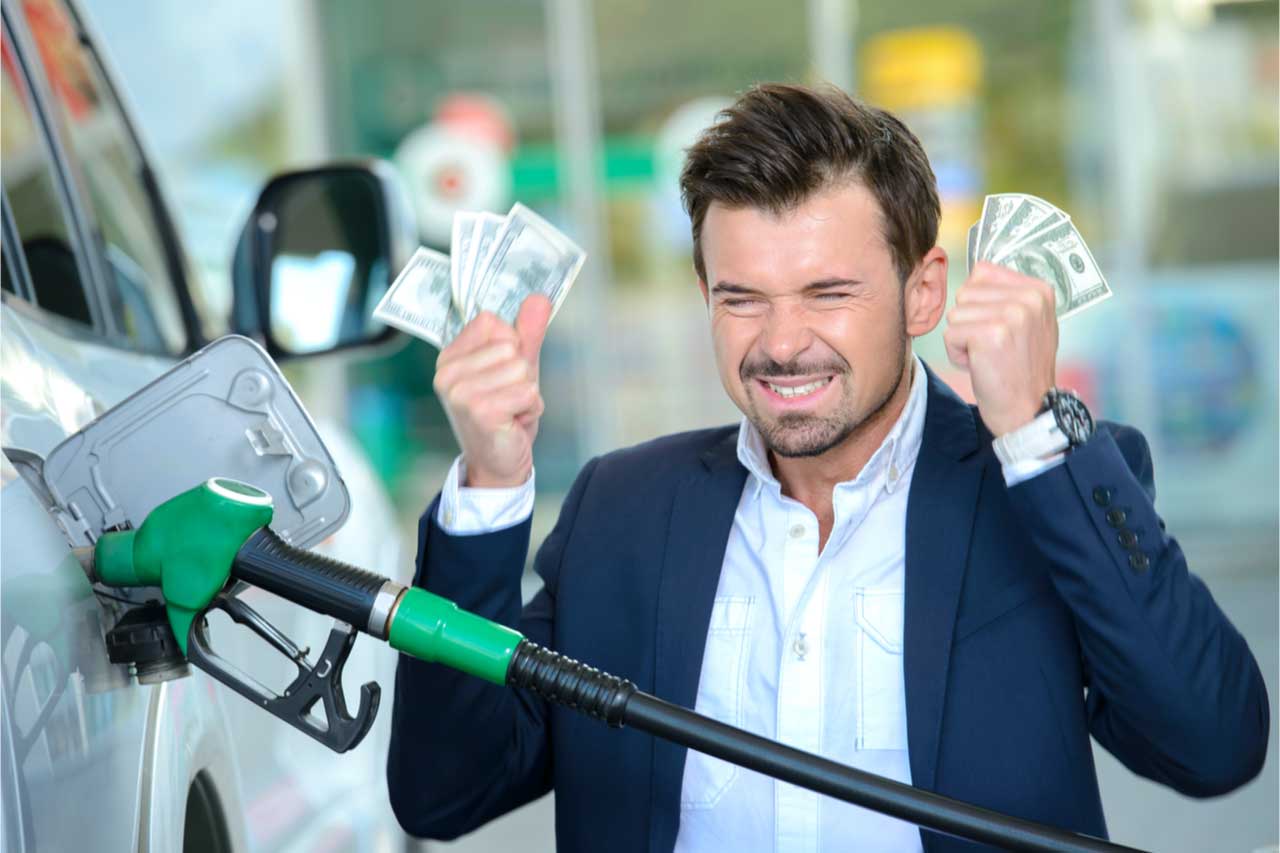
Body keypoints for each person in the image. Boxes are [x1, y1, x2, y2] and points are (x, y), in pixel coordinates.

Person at [386, 84, 1269, 853]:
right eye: (742, 299)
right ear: (706, 296)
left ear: (924, 291)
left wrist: (1036, 432)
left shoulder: (1040, 490)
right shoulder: (622, 509)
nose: (780, 344)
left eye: (828, 293)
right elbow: (446, 792)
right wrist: (491, 485)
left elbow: (1213, 746)